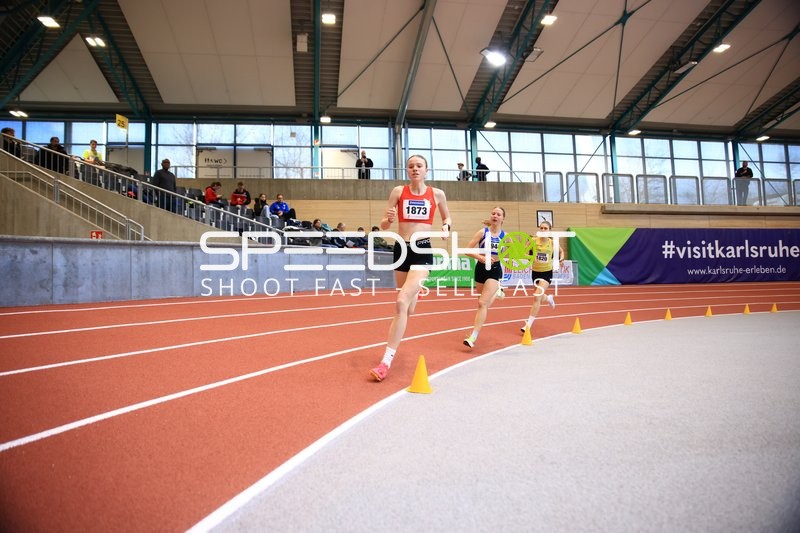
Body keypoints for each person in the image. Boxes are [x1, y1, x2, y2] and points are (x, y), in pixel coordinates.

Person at [369, 154, 451, 382]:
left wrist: (446, 229)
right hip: (401, 250)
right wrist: (387, 220)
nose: (415, 169)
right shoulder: (398, 192)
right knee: (408, 308)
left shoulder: (437, 194)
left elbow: (447, 218)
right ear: (407, 170)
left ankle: (385, 362)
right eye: (411, 166)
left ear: (427, 170)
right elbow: (385, 224)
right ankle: (416, 291)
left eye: (419, 166)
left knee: (400, 302)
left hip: (423, 250)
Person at [462, 207, 507, 348]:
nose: (495, 215)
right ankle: (498, 292)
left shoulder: (505, 237)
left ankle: (473, 337)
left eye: (498, 214)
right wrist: (480, 258)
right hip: (481, 268)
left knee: (482, 303)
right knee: (482, 303)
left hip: (494, 270)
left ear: (502, 219)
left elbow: (508, 255)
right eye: (493, 213)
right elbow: (467, 250)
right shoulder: (483, 232)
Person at [519, 219, 564, 334]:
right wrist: (530, 257)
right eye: (541, 228)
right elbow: (522, 252)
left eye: (546, 228)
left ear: (549, 231)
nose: (543, 230)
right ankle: (548, 298)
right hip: (535, 272)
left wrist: (561, 259)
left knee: (536, 297)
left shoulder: (552, 242)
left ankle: (528, 325)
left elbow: (561, 252)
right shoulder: (533, 240)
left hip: (546, 272)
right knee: (539, 296)